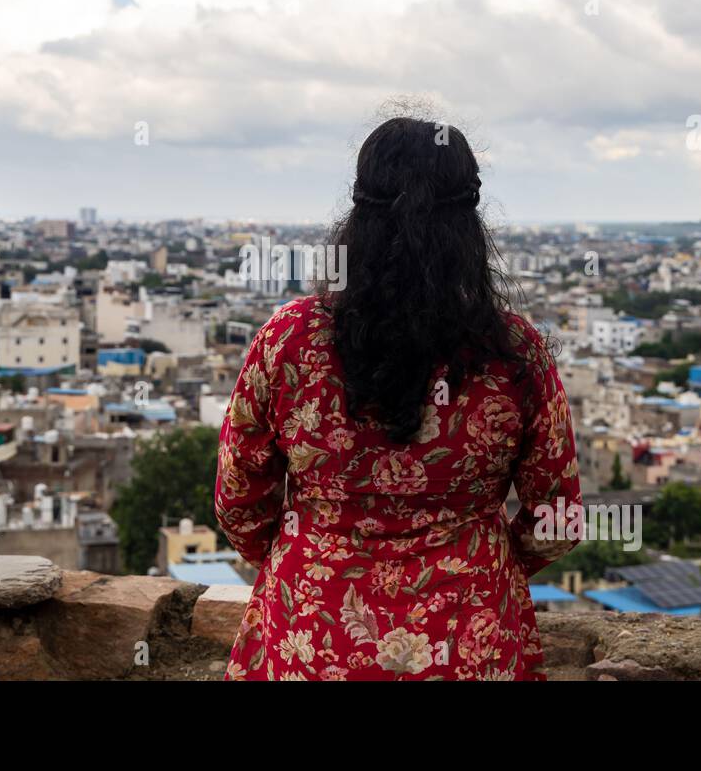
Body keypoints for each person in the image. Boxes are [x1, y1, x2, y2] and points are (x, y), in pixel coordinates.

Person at [214, 115, 582, 680]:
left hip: (313, 636)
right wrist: (483, 558)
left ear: (357, 217)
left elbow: (240, 502)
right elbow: (556, 517)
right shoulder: (514, 355)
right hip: (468, 640)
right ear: (469, 225)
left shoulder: (288, 342)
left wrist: (312, 549)